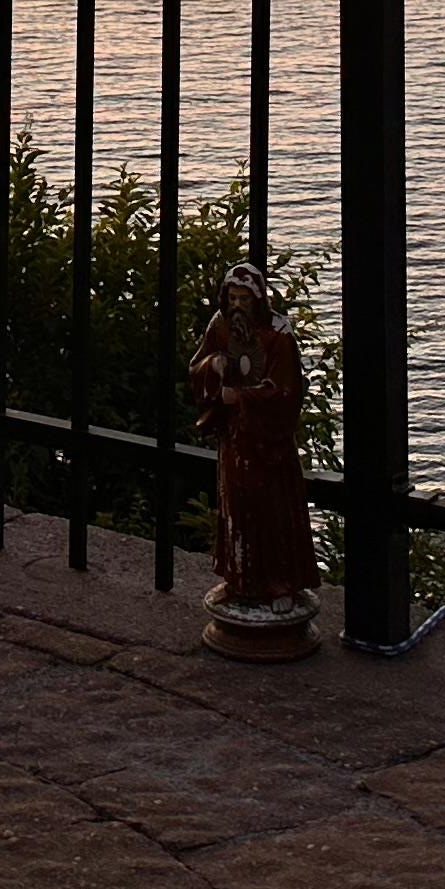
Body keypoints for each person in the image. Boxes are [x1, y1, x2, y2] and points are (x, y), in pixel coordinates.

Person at [187, 264, 318, 649]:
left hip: (268, 445)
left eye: (245, 298)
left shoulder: (278, 337)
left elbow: (286, 393)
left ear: (259, 299)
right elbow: (198, 366)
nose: (238, 305)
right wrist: (214, 367)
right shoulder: (220, 327)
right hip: (235, 440)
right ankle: (239, 578)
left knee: (272, 511)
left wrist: (242, 397)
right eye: (232, 298)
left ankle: (280, 583)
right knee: (237, 508)